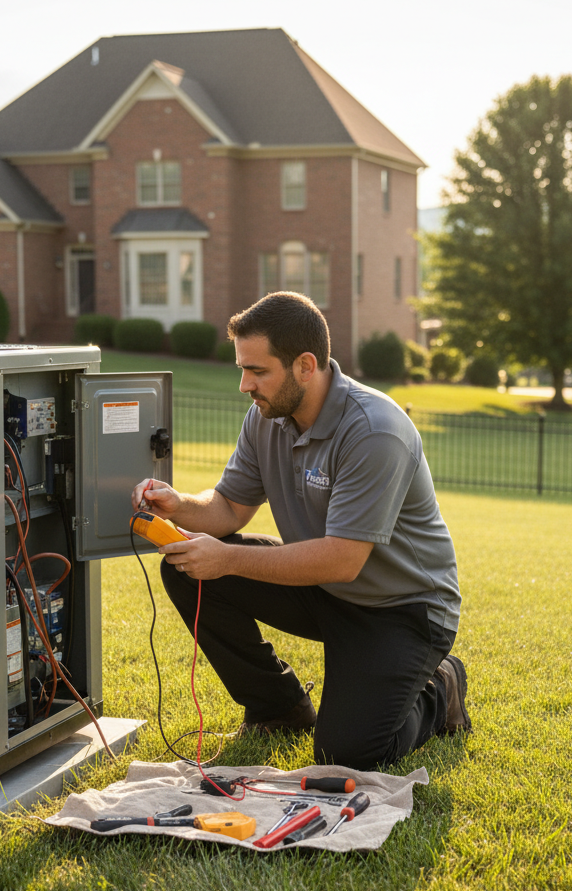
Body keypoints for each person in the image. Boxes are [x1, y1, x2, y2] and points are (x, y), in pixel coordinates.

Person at [131, 292, 468, 770]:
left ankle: (443, 686)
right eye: (241, 369)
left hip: (402, 610)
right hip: (326, 591)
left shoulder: (374, 430)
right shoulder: (267, 416)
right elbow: (228, 507)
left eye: (258, 371)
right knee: (187, 568)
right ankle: (279, 708)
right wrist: (178, 504)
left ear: (306, 366)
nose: (245, 385)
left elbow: (342, 560)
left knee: (347, 755)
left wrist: (226, 558)